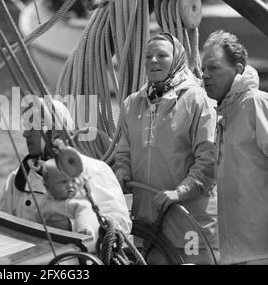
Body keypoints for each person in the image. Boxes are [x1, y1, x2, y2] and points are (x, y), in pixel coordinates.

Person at [114, 32, 218, 264]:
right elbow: (123, 152)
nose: (153, 60)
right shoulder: (132, 103)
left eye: (162, 55)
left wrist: (179, 192)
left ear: (177, 60)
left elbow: (209, 160)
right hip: (147, 225)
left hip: (190, 225)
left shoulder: (198, 100)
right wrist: (122, 172)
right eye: (149, 56)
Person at [0, 97, 132, 236]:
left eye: (31, 128)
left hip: (80, 256)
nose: (25, 134)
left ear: (56, 133)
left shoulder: (95, 170)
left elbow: (121, 224)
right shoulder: (16, 179)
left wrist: (72, 228)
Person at [202, 30, 268, 265]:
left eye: (214, 68)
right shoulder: (224, 116)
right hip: (236, 252)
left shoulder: (255, 103)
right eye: (203, 69)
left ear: (238, 69)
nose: (205, 75)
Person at [37, 159, 99, 240]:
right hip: (47, 239)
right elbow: (38, 214)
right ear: (47, 186)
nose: (70, 185)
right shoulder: (45, 200)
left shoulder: (77, 203)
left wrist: (84, 228)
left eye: (73, 180)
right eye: (63, 182)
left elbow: (85, 213)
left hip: (71, 240)